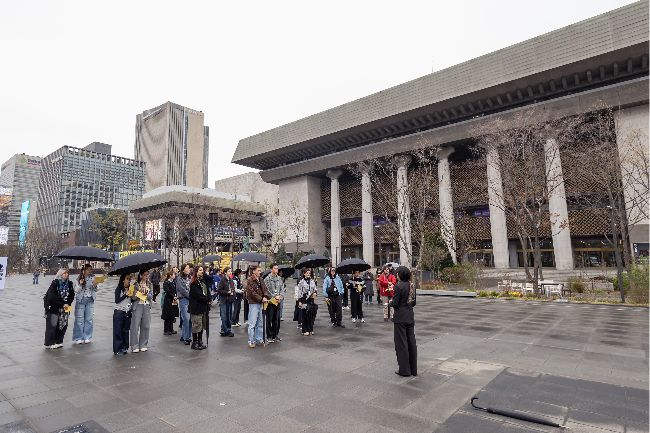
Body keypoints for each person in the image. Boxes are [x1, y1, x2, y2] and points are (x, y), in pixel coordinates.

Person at [390, 266, 417, 377]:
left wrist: (391, 302)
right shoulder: (412, 286)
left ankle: (404, 370)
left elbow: (395, 303)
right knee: (411, 343)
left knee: (401, 344)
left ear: (400, 275)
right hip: (409, 316)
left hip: (400, 318)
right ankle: (413, 370)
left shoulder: (398, 286)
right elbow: (413, 303)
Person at [44, 269, 75, 349]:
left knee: (63, 324)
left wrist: (67, 303)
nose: (66, 274)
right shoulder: (55, 283)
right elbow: (53, 296)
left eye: (67, 273)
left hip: (65, 308)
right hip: (54, 307)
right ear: (60, 274)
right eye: (64, 273)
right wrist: (62, 304)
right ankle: (49, 342)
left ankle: (59, 340)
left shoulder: (69, 283)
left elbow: (71, 295)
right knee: (53, 325)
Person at [72, 264, 98, 344]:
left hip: (90, 299)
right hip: (81, 300)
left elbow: (96, 289)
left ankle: (87, 336)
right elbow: (76, 290)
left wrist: (95, 286)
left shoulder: (93, 278)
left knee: (89, 319)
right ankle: (78, 337)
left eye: (90, 269)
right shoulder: (79, 278)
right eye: (88, 269)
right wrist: (80, 284)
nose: (89, 271)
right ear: (84, 270)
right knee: (79, 319)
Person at [189, 266, 212, 350]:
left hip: (203, 307)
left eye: (202, 270)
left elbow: (207, 291)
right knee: (196, 326)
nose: (202, 271)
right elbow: (199, 295)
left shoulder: (202, 282)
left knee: (202, 325)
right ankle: (194, 343)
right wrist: (207, 299)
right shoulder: (194, 283)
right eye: (200, 270)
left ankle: (200, 341)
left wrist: (209, 298)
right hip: (196, 307)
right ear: (196, 272)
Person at [246, 265, 268, 348]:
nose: (260, 272)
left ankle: (259, 340)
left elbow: (265, 289)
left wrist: (265, 296)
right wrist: (261, 298)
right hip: (254, 303)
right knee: (252, 324)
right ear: (253, 271)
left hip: (260, 303)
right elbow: (251, 293)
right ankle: (251, 341)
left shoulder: (261, 279)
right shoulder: (250, 280)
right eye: (258, 270)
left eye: (260, 270)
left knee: (260, 323)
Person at [130, 269, 152, 353]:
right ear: (141, 275)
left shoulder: (149, 284)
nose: (146, 277)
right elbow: (133, 297)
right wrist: (139, 292)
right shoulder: (136, 284)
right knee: (135, 326)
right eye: (145, 275)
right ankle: (134, 345)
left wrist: (146, 294)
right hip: (138, 305)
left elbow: (151, 296)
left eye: (147, 275)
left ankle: (143, 344)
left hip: (146, 305)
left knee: (146, 326)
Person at [264, 263, 285, 343]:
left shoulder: (279, 278)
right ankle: (269, 335)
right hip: (270, 302)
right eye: (275, 268)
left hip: (278, 301)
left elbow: (282, 289)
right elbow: (266, 290)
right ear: (271, 269)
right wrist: (274, 296)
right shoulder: (267, 279)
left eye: (277, 268)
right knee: (269, 319)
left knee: (277, 319)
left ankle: (275, 334)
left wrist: (280, 296)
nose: (276, 270)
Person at [113, 274, 132, 355]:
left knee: (125, 331)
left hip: (127, 312)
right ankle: (118, 348)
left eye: (130, 279)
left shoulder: (130, 289)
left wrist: (133, 294)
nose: (129, 280)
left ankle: (124, 346)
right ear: (123, 280)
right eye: (127, 279)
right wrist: (125, 294)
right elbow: (117, 300)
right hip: (119, 311)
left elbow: (132, 300)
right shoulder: (119, 289)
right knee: (118, 331)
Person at [297, 268, 318, 335]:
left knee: (311, 315)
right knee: (304, 315)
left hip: (311, 299)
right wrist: (299, 301)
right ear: (304, 274)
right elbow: (299, 292)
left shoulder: (312, 281)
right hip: (304, 300)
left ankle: (310, 329)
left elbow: (315, 289)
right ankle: (304, 330)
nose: (308, 274)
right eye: (307, 273)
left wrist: (315, 293)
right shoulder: (301, 282)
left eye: (309, 273)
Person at [176, 263, 193, 345]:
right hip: (183, 300)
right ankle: (186, 337)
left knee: (190, 319)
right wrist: (191, 296)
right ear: (183, 270)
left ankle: (185, 335)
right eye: (187, 268)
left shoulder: (189, 278)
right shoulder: (179, 279)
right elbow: (183, 290)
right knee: (186, 319)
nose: (189, 269)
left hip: (189, 300)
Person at [217, 267, 235, 337]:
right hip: (224, 301)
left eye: (231, 271)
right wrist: (227, 292)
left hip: (230, 300)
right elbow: (219, 290)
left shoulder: (231, 280)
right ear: (225, 272)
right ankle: (224, 329)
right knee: (224, 316)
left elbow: (233, 289)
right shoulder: (222, 280)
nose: (230, 273)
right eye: (229, 271)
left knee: (230, 316)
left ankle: (228, 330)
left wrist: (233, 293)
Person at [161, 270, 179, 335]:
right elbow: (167, 291)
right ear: (170, 276)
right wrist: (173, 296)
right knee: (167, 315)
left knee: (172, 314)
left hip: (173, 300)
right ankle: (166, 330)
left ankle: (171, 329)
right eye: (173, 275)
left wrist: (175, 296)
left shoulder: (173, 282)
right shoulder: (166, 283)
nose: (174, 276)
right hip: (168, 300)